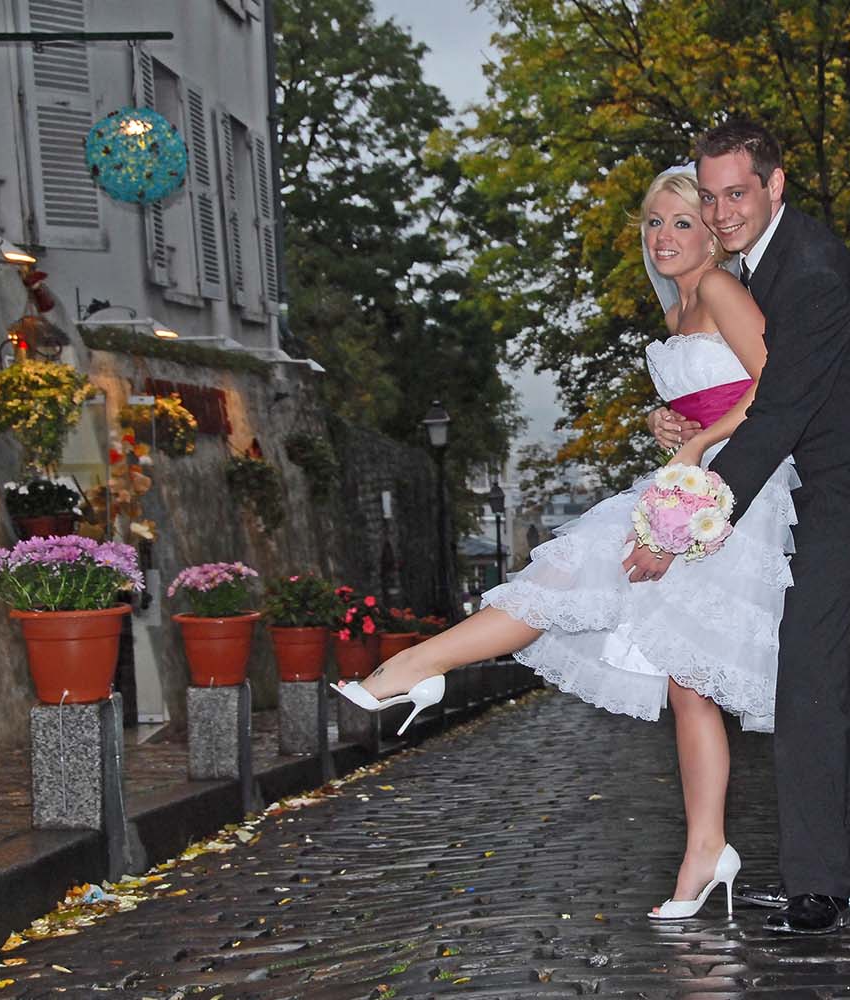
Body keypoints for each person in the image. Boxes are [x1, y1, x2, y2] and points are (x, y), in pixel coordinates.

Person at [334, 165, 800, 921]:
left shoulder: (718, 288)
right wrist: (669, 423)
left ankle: (415, 667)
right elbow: (720, 389)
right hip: (695, 474)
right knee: (676, 674)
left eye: (683, 222)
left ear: (713, 232)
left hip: (734, 489)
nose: (665, 237)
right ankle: (706, 852)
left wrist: (697, 446)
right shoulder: (681, 308)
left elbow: (781, 387)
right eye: (654, 222)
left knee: (584, 585)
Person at [634, 120, 850, 935]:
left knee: (804, 670)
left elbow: (780, 412)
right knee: (827, 674)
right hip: (809, 481)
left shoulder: (814, 272)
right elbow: (750, 397)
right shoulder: (762, 261)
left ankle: (816, 886)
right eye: (711, 195)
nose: (721, 213)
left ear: (775, 185)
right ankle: (846, 866)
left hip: (847, 487)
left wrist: (685, 521)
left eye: (737, 194)